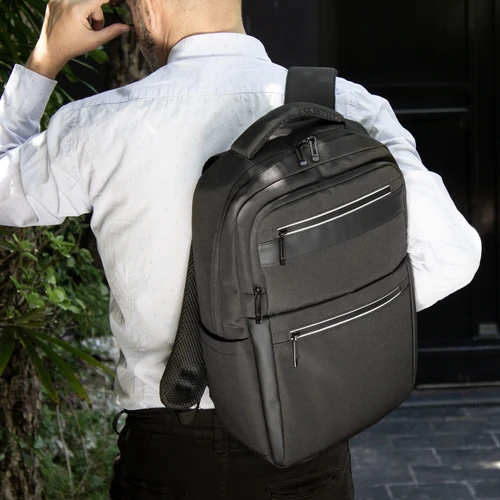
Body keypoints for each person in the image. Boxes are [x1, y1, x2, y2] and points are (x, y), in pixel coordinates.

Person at [0, 0, 482, 498]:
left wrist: (45, 58)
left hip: (172, 455)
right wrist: (323, 319)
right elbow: (453, 256)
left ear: (148, 6)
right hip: (308, 438)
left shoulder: (102, 123)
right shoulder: (341, 106)